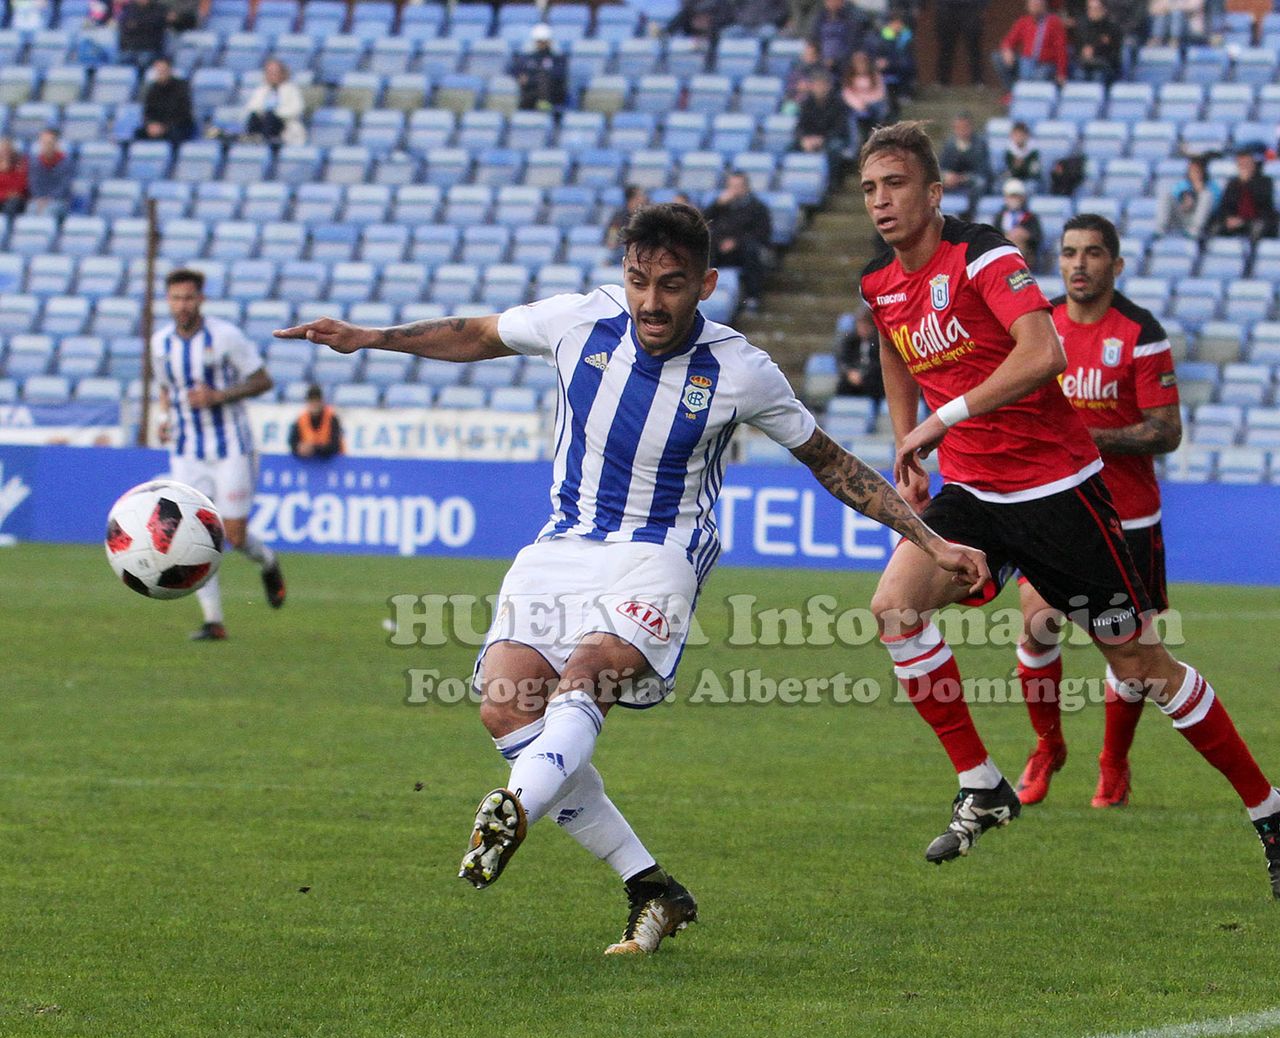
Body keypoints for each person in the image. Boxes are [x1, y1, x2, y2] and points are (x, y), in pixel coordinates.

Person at [273, 203, 987, 953]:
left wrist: (929, 539)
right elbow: (477, 332)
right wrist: (369, 338)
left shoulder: (740, 368)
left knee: (589, 672)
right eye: (639, 280)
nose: (652, 301)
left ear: (706, 284)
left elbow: (832, 462)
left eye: (672, 285)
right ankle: (651, 885)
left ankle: (513, 806)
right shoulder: (578, 322)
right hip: (561, 545)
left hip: (662, 550)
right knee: (506, 706)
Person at [857, 121, 1280, 899]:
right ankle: (983, 782)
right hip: (973, 492)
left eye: (895, 184)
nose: (880, 201)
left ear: (934, 192)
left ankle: (1270, 811)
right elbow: (894, 350)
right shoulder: (879, 283)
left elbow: (1045, 354)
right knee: (895, 608)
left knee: (1141, 665)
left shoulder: (985, 256)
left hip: (1057, 490)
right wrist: (909, 445)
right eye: (869, 188)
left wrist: (942, 418)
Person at [1013, 214, 1183, 808]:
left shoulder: (1140, 331)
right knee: (1035, 622)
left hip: (1127, 514)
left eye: (1091, 253)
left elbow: (1167, 432)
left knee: (1129, 652)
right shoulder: (1041, 325)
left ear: (1116, 263)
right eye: (1068, 253)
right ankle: (1046, 745)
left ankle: (1113, 763)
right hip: (1055, 505)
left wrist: (1087, 436)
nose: (1079, 264)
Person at [155, 268, 286, 641]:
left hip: (231, 448)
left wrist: (218, 396)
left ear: (201, 299)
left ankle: (268, 562)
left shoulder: (225, 336)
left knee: (235, 536)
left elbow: (263, 379)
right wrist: (164, 419)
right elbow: (166, 388)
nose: (182, 305)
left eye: (189, 298)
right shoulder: (160, 344)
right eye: (176, 298)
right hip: (186, 452)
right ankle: (214, 621)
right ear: (169, 301)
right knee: (191, 535)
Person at [703, 170, 773, 302]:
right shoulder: (720, 205)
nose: (734, 190)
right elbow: (702, 222)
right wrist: (717, 205)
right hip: (719, 247)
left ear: (746, 187)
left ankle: (752, 297)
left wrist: (736, 242)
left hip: (743, 248)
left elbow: (762, 233)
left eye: (738, 186)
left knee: (752, 252)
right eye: (731, 186)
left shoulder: (758, 207)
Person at [994, 0, 1070, 90]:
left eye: (1037, 4)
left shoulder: (1054, 22)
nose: (1034, 7)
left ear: (1044, 5)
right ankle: (1013, 91)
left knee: (1039, 76)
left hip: (1045, 65)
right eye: (1032, 4)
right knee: (998, 57)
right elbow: (1008, 41)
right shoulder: (1023, 22)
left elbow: (1061, 50)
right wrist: (1007, 50)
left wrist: (1061, 73)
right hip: (1026, 62)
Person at [1208, 149, 1279, 240]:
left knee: (1258, 227)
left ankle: (1252, 252)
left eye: (1247, 164)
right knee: (1214, 226)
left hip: (1256, 219)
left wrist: (1247, 183)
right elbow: (1225, 205)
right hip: (1236, 220)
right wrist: (1228, 219)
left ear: (1253, 164)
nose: (1244, 167)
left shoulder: (1265, 181)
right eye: (1241, 164)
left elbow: (1264, 203)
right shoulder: (1232, 183)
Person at [243, 59, 307, 146]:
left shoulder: (291, 89)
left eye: (275, 73)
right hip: (263, 121)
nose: (272, 75)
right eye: (269, 73)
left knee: (271, 117)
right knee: (254, 117)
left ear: (282, 73)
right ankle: (252, 142)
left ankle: (268, 142)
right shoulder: (262, 89)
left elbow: (296, 109)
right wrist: (264, 112)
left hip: (283, 124)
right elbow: (252, 106)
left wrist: (276, 113)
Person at [508, 24, 569, 114]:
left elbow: (558, 74)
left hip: (553, 93)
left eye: (544, 41)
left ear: (549, 41)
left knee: (543, 79)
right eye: (539, 41)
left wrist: (530, 79)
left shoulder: (557, 58)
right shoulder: (528, 57)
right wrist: (520, 77)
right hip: (530, 91)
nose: (541, 44)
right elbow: (514, 70)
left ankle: (543, 105)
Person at [793, 73, 853, 161]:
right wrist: (804, 139)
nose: (819, 89)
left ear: (828, 86)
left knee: (834, 147)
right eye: (816, 85)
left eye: (822, 85)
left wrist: (822, 139)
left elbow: (840, 128)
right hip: (810, 139)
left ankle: (830, 174)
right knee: (791, 147)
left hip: (831, 139)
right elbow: (800, 126)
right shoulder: (806, 104)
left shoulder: (839, 104)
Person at [136, 57, 196, 145]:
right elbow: (148, 112)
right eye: (158, 71)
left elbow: (184, 114)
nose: (161, 73)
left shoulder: (182, 87)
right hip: (157, 126)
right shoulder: (153, 89)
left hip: (177, 125)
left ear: (169, 70)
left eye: (163, 70)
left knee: (174, 134)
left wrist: (164, 127)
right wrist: (151, 124)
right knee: (139, 133)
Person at [933, 0, 990, 87]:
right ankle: (942, 80)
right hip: (947, 7)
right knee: (946, 46)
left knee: (974, 46)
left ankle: (978, 80)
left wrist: (982, 5)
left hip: (971, 7)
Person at [1162, 155, 1220, 238]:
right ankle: (1161, 230)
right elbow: (1173, 198)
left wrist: (1200, 192)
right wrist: (1183, 199)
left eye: (1197, 171)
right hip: (1182, 217)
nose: (1194, 174)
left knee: (1206, 195)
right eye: (1192, 170)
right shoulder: (1182, 184)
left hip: (1202, 223)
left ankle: (1194, 231)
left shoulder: (1212, 186)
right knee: (1166, 195)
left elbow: (1215, 207)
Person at [873, 6, 917, 113]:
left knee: (907, 66)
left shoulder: (907, 37)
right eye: (894, 23)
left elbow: (908, 55)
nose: (897, 26)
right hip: (886, 65)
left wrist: (891, 62)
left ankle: (904, 93)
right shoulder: (882, 37)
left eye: (899, 23)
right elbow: (878, 53)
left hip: (900, 64)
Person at [807, 0, 872, 74]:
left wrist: (835, 61)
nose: (830, 3)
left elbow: (852, 45)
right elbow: (813, 38)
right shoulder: (819, 17)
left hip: (844, 62)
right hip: (821, 60)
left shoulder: (853, 17)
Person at [839, 49, 889, 143]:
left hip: (874, 106)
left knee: (882, 109)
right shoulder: (849, 79)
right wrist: (860, 105)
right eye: (858, 63)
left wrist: (867, 101)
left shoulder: (876, 76)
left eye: (863, 63)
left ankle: (876, 134)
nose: (861, 66)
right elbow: (848, 95)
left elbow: (880, 93)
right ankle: (855, 145)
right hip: (858, 108)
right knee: (852, 118)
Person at [835, 307, 885, 401]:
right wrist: (849, 373)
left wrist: (864, 375)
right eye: (860, 326)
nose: (863, 330)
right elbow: (842, 360)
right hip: (853, 378)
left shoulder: (878, 342)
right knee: (843, 385)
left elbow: (878, 364)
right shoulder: (850, 341)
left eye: (866, 327)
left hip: (872, 380)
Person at [938, 112, 991, 196]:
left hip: (971, 178)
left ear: (971, 127)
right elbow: (942, 166)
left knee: (980, 183)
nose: (961, 130)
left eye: (965, 127)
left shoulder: (980, 144)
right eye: (958, 127)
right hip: (953, 178)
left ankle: (972, 209)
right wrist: (947, 175)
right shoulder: (949, 144)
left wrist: (962, 178)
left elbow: (982, 170)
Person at [1075, 0, 1125, 87]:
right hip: (1086, 64)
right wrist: (1083, 53)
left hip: (1106, 66)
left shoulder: (1112, 28)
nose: (1092, 12)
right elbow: (1078, 48)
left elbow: (1115, 54)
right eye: (1090, 9)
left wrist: (1095, 51)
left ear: (1104, 10)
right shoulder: (1082, 27)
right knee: (1079, 74)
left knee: (1097, 76)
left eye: (1096, 9)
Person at [26, 129, 75, 216]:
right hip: (38, 200)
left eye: (49, 143)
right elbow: (33, 183)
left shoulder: (66, 162)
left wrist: (49, 199)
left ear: (56, 144)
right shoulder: (35, 162)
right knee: (31, 209)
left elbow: (64, 185)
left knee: (48, 211)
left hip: (59, 200)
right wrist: (39, 198)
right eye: (43, 142)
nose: (46, 146)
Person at [288, 384, 343, 460]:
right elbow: (292, 442)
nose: (314, 404)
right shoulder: (301, 419)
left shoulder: (332, 418)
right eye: (311, 401)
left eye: (317, 400)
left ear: (322, 401)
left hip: (334, 464)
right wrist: (299, 448)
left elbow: (335, 446)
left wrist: (314, 449)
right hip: (309, 463)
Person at [994, 178, 1043, 262]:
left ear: (1023, 198)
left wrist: (1026, 235)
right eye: (1011, 196)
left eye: (1017, 196)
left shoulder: (1031, 217)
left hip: (1026, 255)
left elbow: (1038, 238)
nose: (1014, 200)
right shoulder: (999, 217)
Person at [118, 0, 167, 68]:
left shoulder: (158, 8)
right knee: (121, 59)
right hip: (130, 47)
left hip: (150, 47)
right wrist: (142, 24)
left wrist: (137, 24)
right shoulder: (129, 8)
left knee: (143, 60)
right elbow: (124, 25)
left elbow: (154, 25)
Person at [605, 185, 650, 252]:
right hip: (622, 250)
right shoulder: (618, 216)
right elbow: (612, 236)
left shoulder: (648, 215)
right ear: (632, 199)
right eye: (641, 195)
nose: (645, 198)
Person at [1001, 121, 1042, 189]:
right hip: (1013, 179)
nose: (1018, 138)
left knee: (1031, 186)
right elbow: (1008, 170)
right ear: (1011, 136)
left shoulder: (1033, 152)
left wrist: (1022, 165)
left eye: (1021, 135)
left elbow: (1034, 172)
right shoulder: (1009, 151)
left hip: (1028, 180)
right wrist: (1015, 167)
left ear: (1027, 136)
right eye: (1016, 135)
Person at [0, 136, 27, 216]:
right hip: (2, 197)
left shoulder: (20, 165)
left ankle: (9, 227)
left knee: (12, 204)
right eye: (3, 150)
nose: (5, 153)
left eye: (8, 150)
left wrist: (9, 169)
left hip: (15, 201)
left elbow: (20, 187)